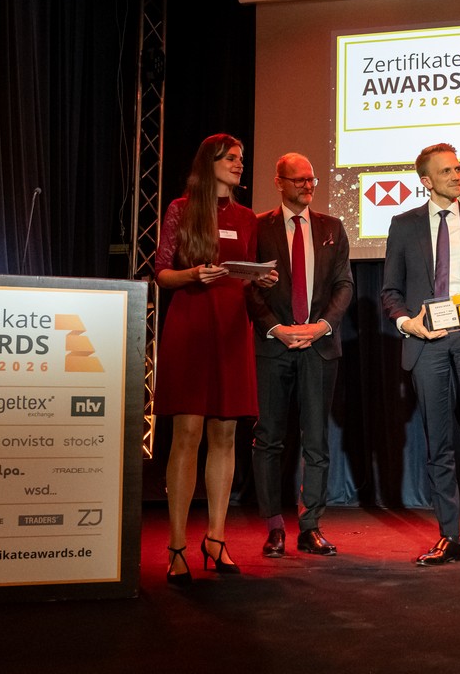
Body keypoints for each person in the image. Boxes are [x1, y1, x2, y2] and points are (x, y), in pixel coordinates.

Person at [154, 133, 277, 586]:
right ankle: (176, 545)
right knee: (186, 433)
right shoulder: (181, 209)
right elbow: (161, 273)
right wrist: (192, 273)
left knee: (225, 434)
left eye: (241, 158)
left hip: (231, 327)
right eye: (231, 158)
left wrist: (260, 279)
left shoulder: (247, 217)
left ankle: (216, 538)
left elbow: (245, 269)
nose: (239, 164)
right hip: (191, 323)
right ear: (210, 163)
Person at [380, 143, 460, 573]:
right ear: (426, 180)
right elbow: (391, 292)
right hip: (428, 339)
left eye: (458, 169)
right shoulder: (403, 225)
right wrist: (407, 323)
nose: (457, 176)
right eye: (447, 171)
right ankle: (450, 537)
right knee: (439, 442)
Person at [246, 153, 353, 557]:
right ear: (279, 182)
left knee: (317, 440)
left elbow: (344, 285)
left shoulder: (332, 227)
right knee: (269, 438)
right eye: (299, 180)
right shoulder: (259, 227)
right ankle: (274, 527)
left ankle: (311, 526)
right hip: (273, 345)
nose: (308, 186)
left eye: (312, 180)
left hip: (319, 347)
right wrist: (276, 328)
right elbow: (248, 286)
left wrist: (321, 326)